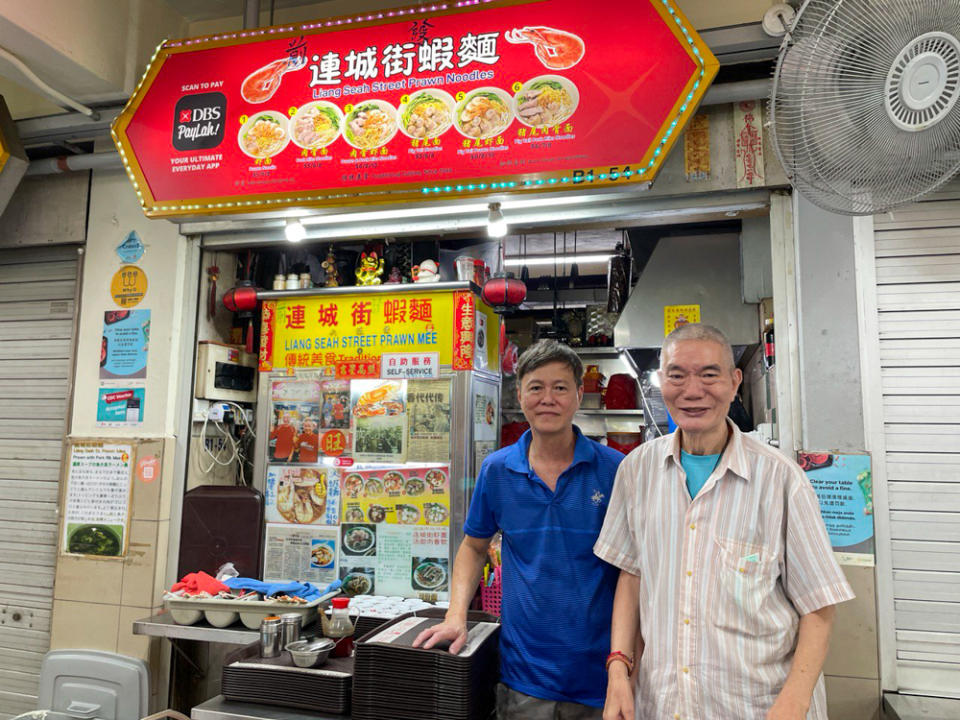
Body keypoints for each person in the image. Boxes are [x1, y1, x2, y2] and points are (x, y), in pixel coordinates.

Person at [595, 324, 855, 720]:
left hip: (756, 706)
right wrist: (619, 669)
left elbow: (819, 607)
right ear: (661, 382)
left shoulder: (781, 479)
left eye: (709, 374)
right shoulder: (636, 470)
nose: (692, 390)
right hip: (663, 704)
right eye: (677, 375)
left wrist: (794, 702)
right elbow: (632, 577)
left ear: (735, 383)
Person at [414, 339, 626, 718]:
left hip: (602, 678)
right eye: (536, 387)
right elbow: (473, 547)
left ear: (579, 395)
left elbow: (633, 569)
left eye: (560, 387)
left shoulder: (615, 469)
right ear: (520, 394)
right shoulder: (497, 470)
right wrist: (455, 616)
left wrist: (625, 663)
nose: (548, 398)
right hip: (523, 678)